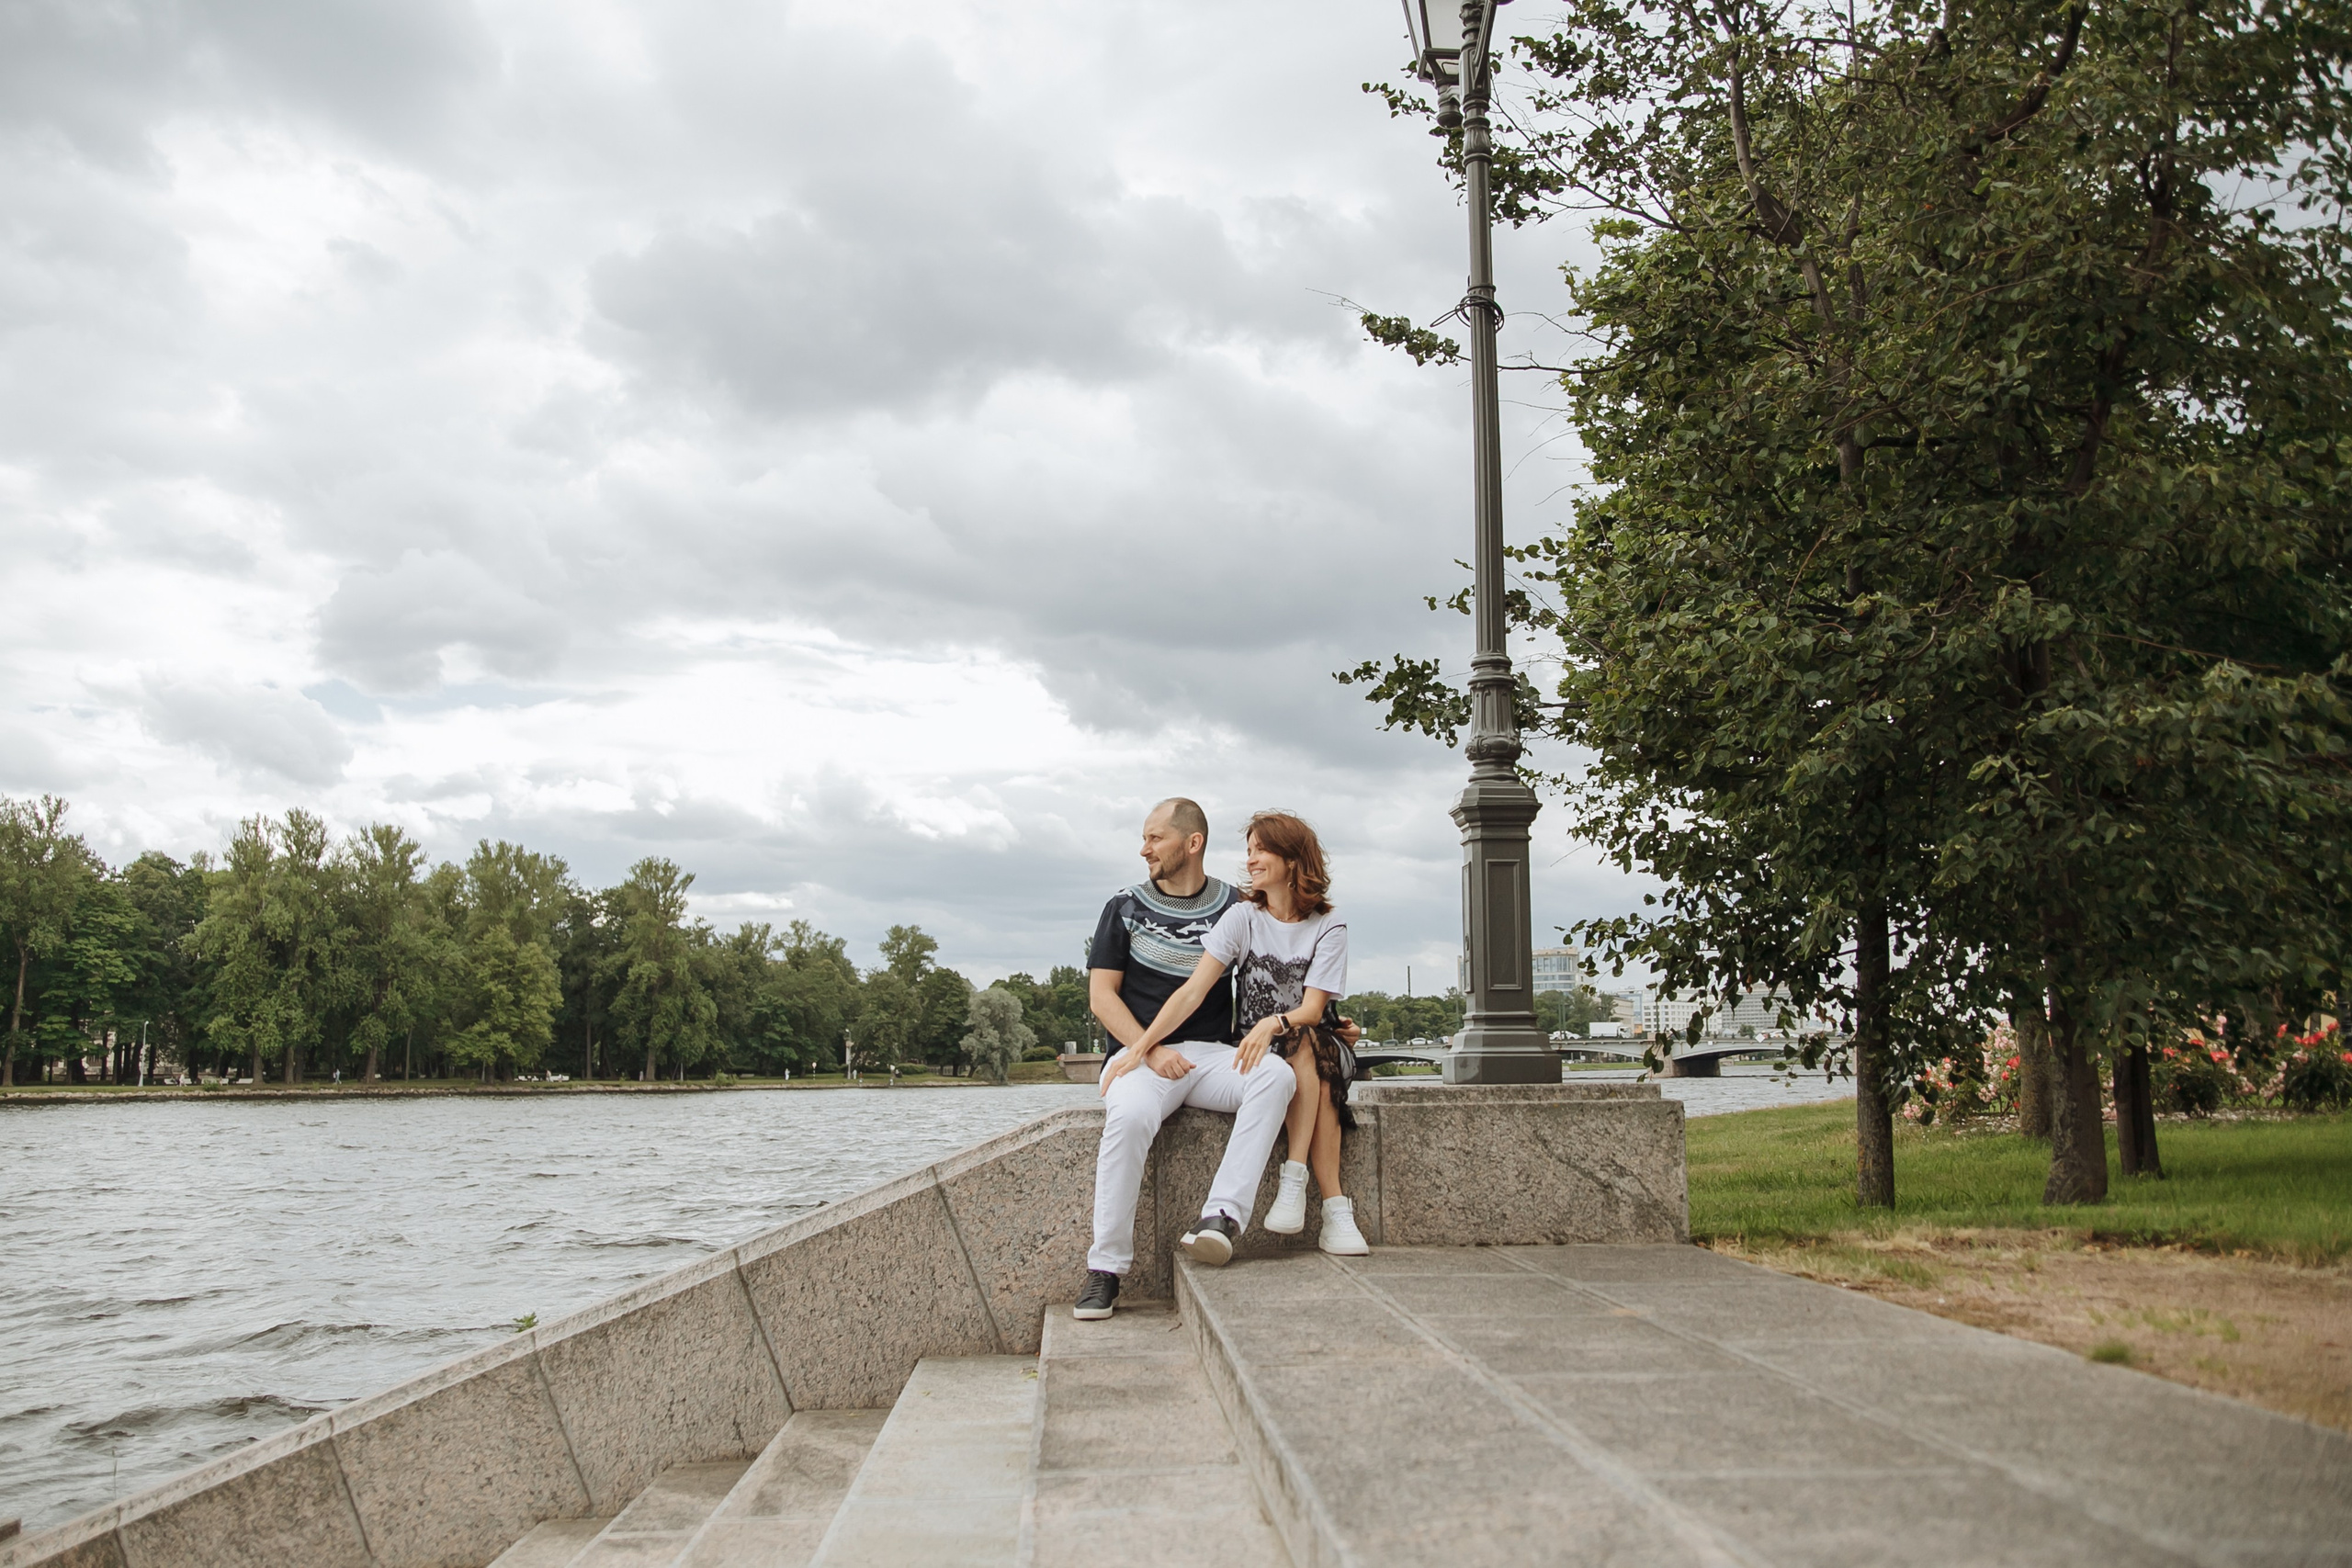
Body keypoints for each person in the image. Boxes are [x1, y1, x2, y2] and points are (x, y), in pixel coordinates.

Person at [1073, 797, 1294, 1322]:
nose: (1144, 848)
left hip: (1213, 1058)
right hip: (1139, 1057)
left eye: (1155, 838)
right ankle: (1105, 1270)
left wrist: (1325, 1020)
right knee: (1127, 1118)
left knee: (1277, 1076)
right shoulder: (1123, 907)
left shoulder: (1240, 906)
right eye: (1145, 838)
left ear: (1192, 843)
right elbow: (1103, 997)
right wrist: (1148, 1050)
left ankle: (1219, 1218)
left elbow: (1279, 973)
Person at [1126, 810, 1366, 1260]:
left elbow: (1314, 1010)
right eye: (1250, 850)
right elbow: (1193, 991)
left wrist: (1272, 1022)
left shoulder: (1329, 925)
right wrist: (1140, 1046)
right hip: (1259, 1050)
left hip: (1311, 1038)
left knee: (1310, 1047)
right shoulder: (1242, 917)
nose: (1251, 860)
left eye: (1262, 850)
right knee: (1301, 1056)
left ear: (1293, 860)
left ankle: (1296, 1182)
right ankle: (1335, 1208)